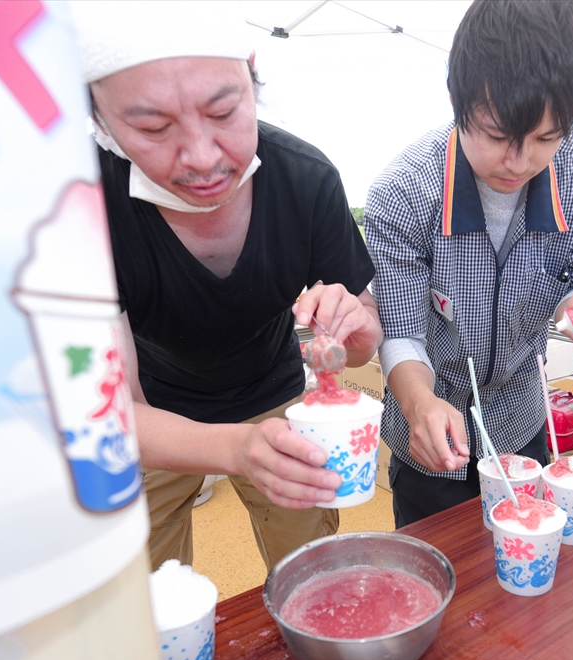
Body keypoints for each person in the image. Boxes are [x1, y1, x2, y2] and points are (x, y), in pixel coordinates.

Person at [71, 3, 383, 570]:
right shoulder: (82, 204)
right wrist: (233, 447)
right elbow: (111, 409)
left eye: (223, 111)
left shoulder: (305, 180)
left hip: (278, 397)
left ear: (251, 73)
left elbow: (362, 342)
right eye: (152, 127)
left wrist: (354, 328)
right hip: (153, 413)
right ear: (98, 118)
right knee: (145, 596)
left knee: (315, 570)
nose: (203, 157)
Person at [365, 0, 573, 528]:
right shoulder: (404, 192)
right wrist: (419, 402)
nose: (518, 162)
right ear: (456, 98)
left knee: (528, 565)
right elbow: (400, 330)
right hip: (428, 426)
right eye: (495, 135)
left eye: (545, 139)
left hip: (519, 421)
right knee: (441, 571)